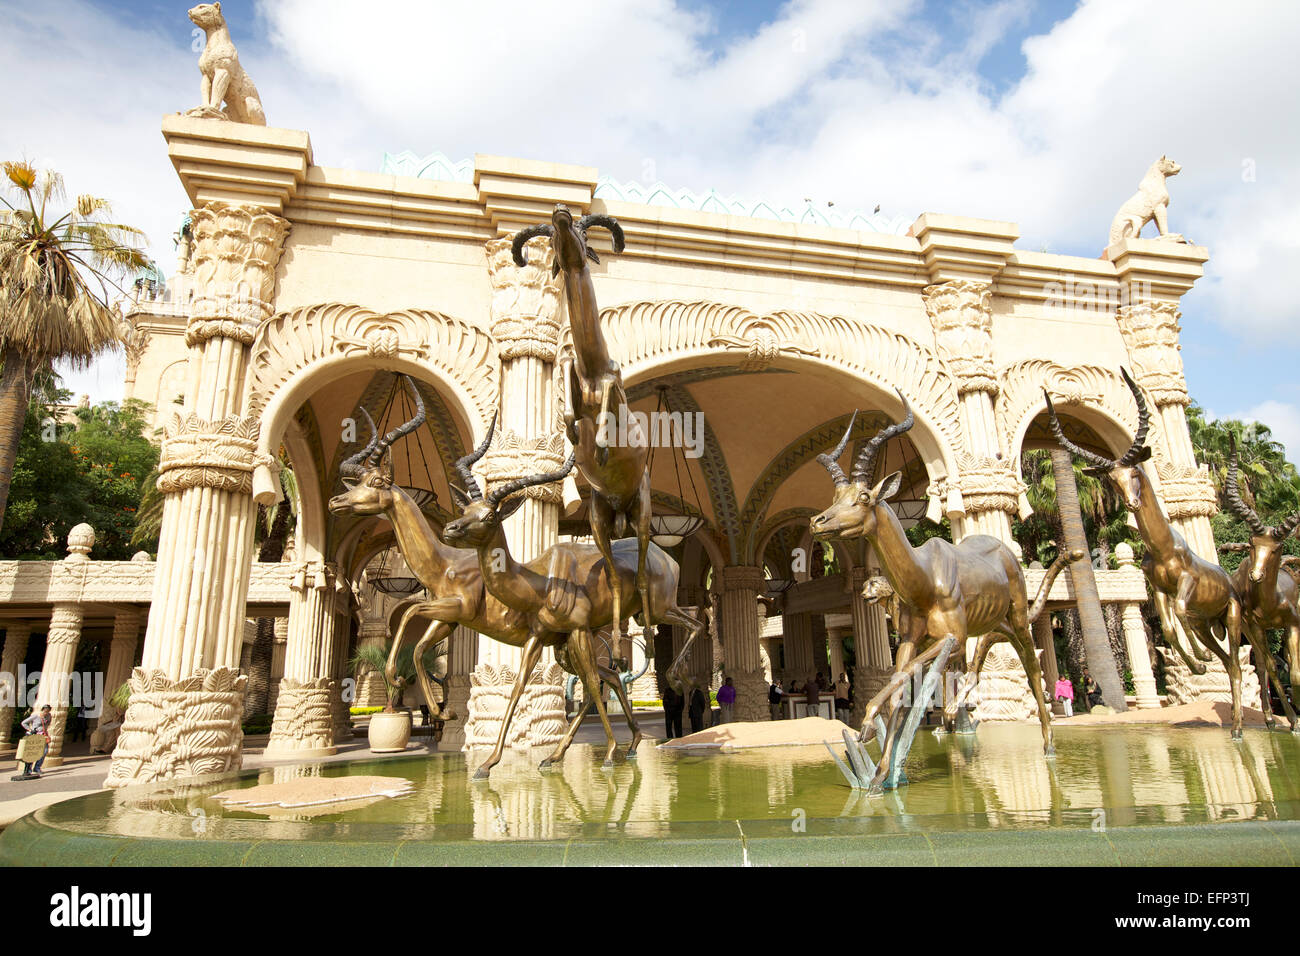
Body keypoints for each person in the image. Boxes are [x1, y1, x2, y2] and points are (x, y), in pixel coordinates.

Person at [20, 704, 52, 777]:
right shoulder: (36, 716)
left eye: (47, 711)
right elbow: (23, 723)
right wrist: (30, 729)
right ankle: (29, 769)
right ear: (42, 710)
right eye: (45, 711)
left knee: (44, 751)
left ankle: (37, 767)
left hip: (43, 735)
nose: (46, 713)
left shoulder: (49, 716)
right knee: (33, 752)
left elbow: (48, 724)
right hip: (35, 735)